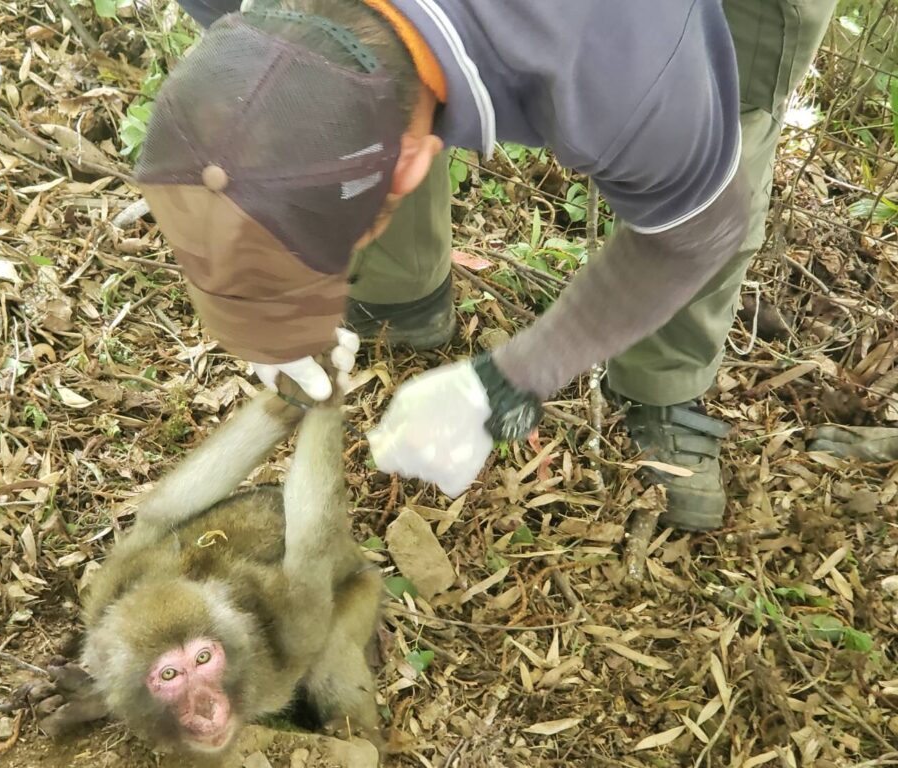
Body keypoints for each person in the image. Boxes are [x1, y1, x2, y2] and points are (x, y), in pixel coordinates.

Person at [135, 0, 837, 531]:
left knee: (726, 118)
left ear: (413, 167)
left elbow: (697, 232)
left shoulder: (628, 80)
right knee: (356, 109)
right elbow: (277, 84)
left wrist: (507, 384)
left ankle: (663, 385)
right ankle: (403, 299)